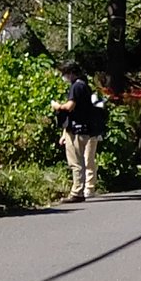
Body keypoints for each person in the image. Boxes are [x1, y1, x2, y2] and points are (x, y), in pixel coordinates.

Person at [50, 61, 102, 202]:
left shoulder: (76, 86)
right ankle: (80, 190)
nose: (64, 77)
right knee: (81, 160)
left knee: (76, 162)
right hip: (84, 128)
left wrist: (57, 106)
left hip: (77, 129)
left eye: (65, 73)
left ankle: (77, 192)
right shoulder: (85, 86)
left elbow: (70, 107)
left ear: (71, 73)